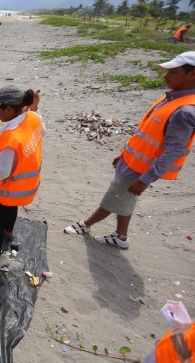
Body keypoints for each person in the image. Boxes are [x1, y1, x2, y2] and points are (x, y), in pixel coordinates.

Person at [63, 51, 195, 248]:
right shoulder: (171, 98)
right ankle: (120, 236)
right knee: (125, 199)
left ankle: (86, 225)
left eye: (173, 72)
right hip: (132, 162)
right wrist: (124, 155)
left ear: (192, 75)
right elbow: (146, 134)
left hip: (142, 169)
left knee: (114, 197)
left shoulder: (185, 110)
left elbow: (174, 150)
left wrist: (146, 179)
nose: (166, 76)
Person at [0, 86, 44, 270]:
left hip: (10, 188)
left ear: (9, 109)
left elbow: (3, 171)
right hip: (27, 185)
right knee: (12, 208)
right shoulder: (34, 117)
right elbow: (42, 132)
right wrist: (32, 110)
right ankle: (8, 232)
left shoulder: (11, 136)